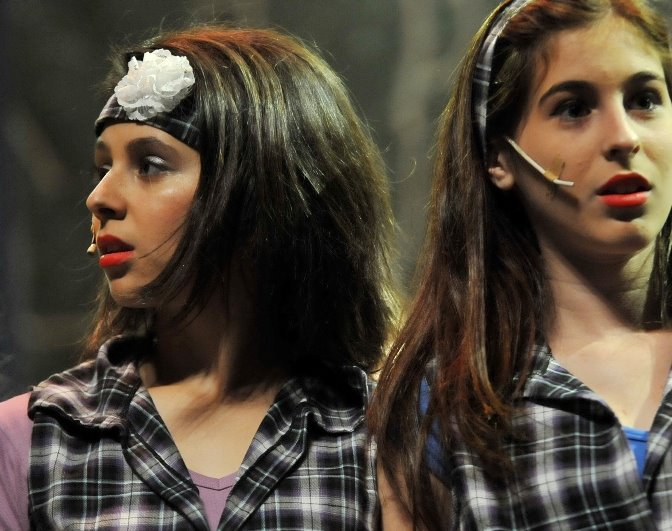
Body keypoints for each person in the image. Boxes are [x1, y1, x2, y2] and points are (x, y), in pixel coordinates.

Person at [369, 0, 672, 529]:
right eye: (574, 109)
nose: (624, 138)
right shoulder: (443, 405)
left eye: (644, 100)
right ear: (499, 157)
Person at [0, 26, 396, 529]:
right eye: (103, 167)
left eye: (150, 165)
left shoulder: (387, 438)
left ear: (262, 186)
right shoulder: (33, 441)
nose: (99, 198)